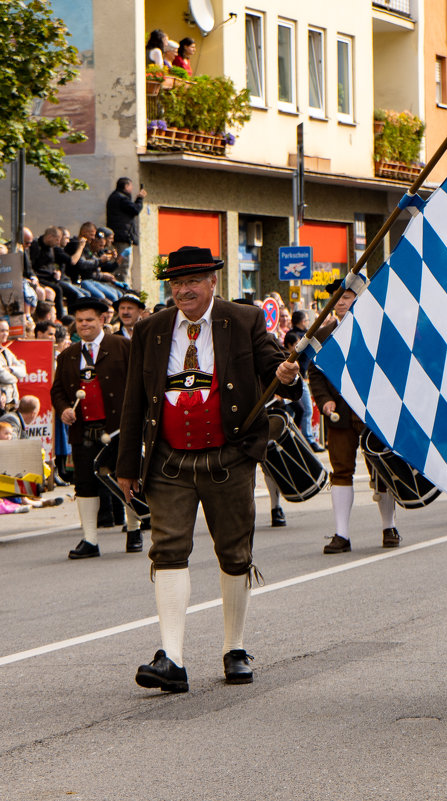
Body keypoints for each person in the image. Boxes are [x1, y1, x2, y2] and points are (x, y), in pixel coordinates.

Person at [116, 245, 300, 692]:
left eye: (192, 282)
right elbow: (134, 402)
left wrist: (287, 374)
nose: (183, 291)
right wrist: (127, 464)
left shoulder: (244, 320)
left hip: (230, 457)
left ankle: (234, 648)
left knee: (234, 553)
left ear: (212, 282)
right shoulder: (152, 330)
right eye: (176, 284)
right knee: (168, 549)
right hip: (169, 461)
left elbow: (274, 365)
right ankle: (172, 658)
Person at [308, 279, 400, 554]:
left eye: (347, 296)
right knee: (341, 471)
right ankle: (341, 534)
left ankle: (389, 526)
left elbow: (391, 369)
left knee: (381, 470)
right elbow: (315, 373)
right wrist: (324, 402)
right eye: (338, 297)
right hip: (340, 415)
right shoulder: (323, 335)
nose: (340, 301)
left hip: (372, 413)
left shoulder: (376, 331)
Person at [50, 298, 140, 559]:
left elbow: (139, 383)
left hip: (119, 429)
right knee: (85, 483)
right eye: (79, 321)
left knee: (126, 478)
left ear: (103, 320)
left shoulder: (123, 346)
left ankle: (133, 530)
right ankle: (90, 539)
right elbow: (57, 391)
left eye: (89, 320)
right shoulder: (68, 355)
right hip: (84, 431)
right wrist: (65, 408)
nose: (84, 325)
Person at [284, 310, 324, 452]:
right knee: (304, 410)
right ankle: (307, 439)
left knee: (295, 412)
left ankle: (294, 439)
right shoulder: (296, 337)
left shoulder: (303, 334)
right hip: (297, 378)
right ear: (301, 321)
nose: (307, 323)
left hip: (301, 377)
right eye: (306, 320)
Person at [106, 178, 146, 281]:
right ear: (126, 186)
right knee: (123, 266)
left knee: (119, 265)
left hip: (118, 236)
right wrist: (140, 198)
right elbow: (135, 209)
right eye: (131, 186)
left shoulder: (115, 197)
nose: (132, 189)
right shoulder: (121, 199)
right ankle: (122, 289)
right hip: (122, 237)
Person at [0, 319, 26, 409]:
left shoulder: (7, 351)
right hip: (2, 401)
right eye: (2, 331)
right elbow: (2, 375)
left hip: (13, 399)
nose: (5, 334)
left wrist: (11, 369)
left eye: (7, 330)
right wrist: (15, 378)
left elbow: (23, 371)